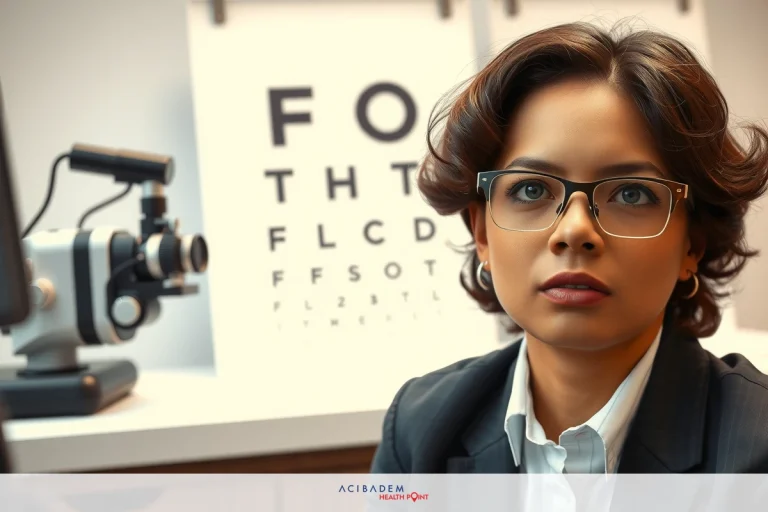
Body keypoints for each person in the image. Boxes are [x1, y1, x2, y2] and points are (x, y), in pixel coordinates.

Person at [370, 21, 768, 474]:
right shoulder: (420, 430)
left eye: (631, 194)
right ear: (482, 234)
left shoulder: (756, 450)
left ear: (691, 245)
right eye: (532, 191)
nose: (574, 231)